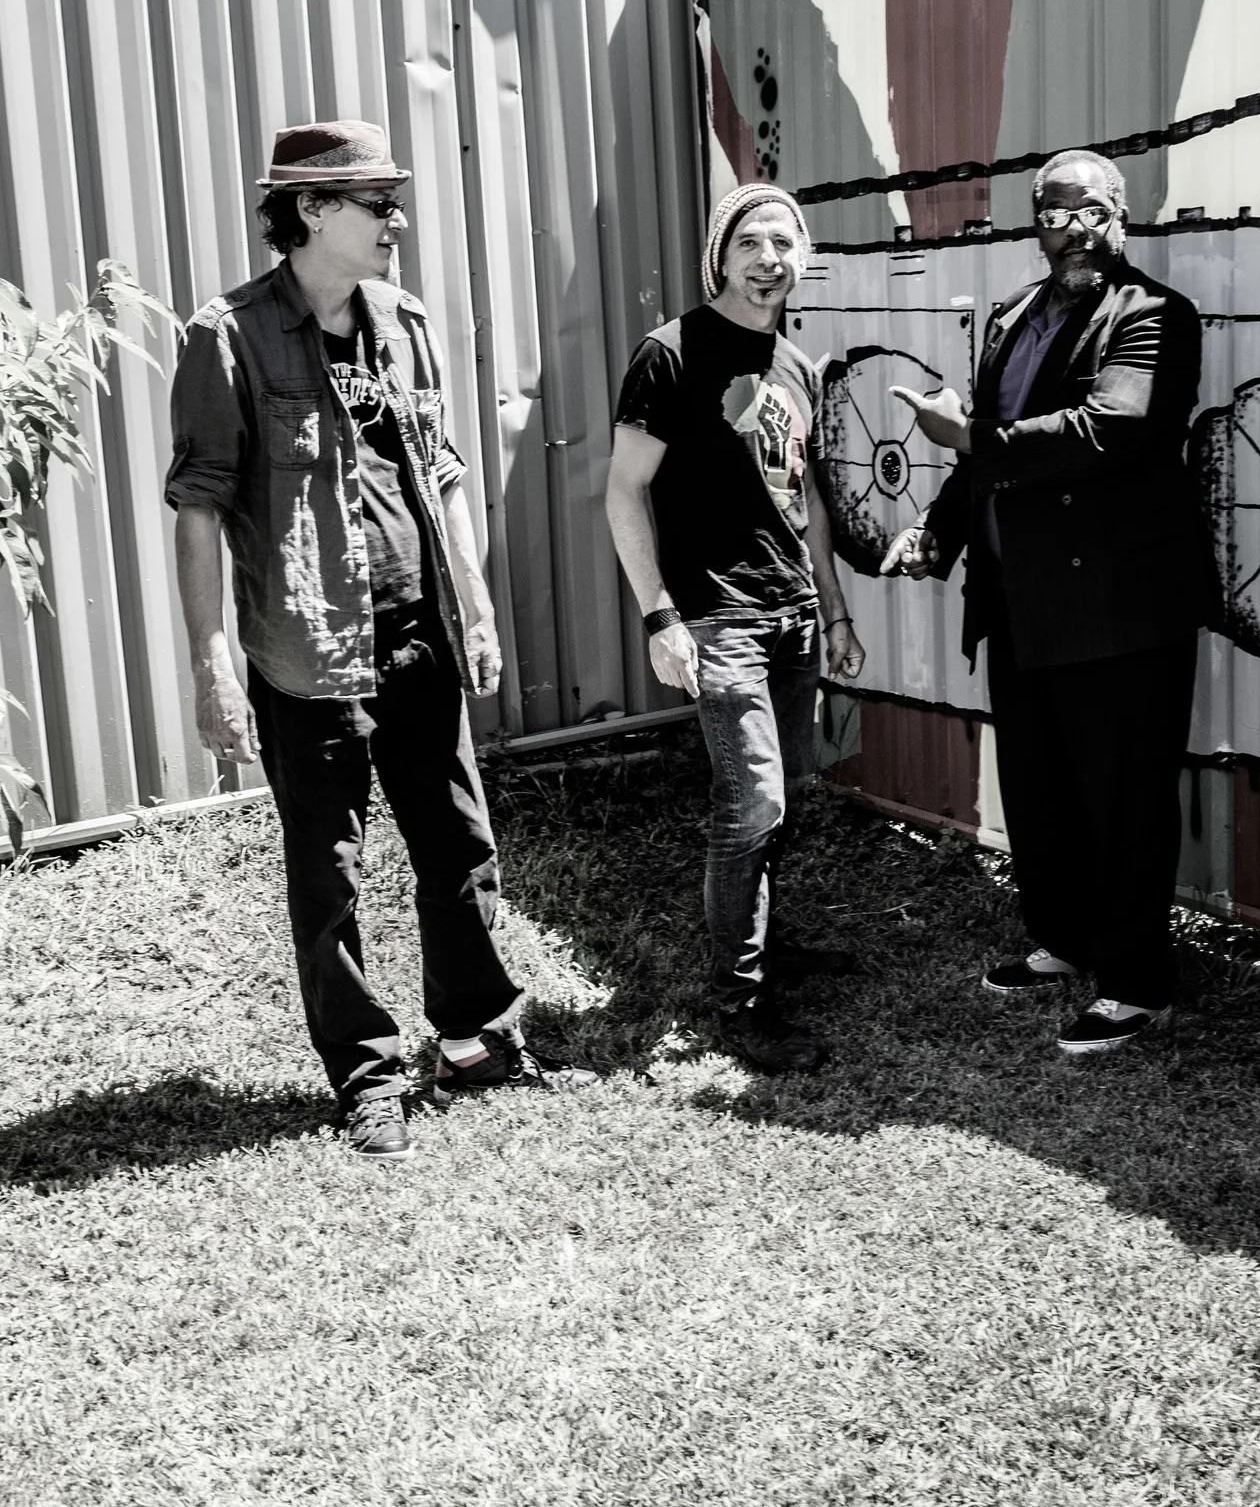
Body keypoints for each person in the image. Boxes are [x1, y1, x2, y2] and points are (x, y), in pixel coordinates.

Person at [166, 120, 596, 1160]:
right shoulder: (226, 336)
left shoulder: (404, 321)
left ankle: (473, 1038)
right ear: (312, 210)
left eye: (394, 201)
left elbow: (440, 474)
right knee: (332, 874)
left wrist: (475, 607)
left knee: (458, 843)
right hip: (307, 649)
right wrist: (213, 661)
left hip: (418, 631)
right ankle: (366, 1072)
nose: (396, 220)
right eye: (377, 202)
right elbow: (199, 506)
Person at [881, 149, 1211, 1055]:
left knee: (1124, 798)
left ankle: (1137, 983)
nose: (1074, 229)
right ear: (1036, 225)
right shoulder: (1012, 315)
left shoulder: (1154, 315)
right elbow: (985, 456)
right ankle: (1067, 939)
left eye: (1091, 210)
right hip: (1019, 600)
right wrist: (939, 530)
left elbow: (1110, 429)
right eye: (1056, 213)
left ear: (1121, 215)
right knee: (1039, 791)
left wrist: (970, 436)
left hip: (1118, 609)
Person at [606, 183, 868, 1076]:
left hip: (794, 612)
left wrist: (834, 608)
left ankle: (760, 942)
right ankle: (740, 1001)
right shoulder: (669, 354)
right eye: (750, 242)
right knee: (751, 798)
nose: (769, 259)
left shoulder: (796, 364)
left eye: (784, 242)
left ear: (803, 257)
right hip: (718, 617)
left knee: (783, 795)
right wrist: (660, 616)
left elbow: (807, 498)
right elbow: (624, 491)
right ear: (720, 256)